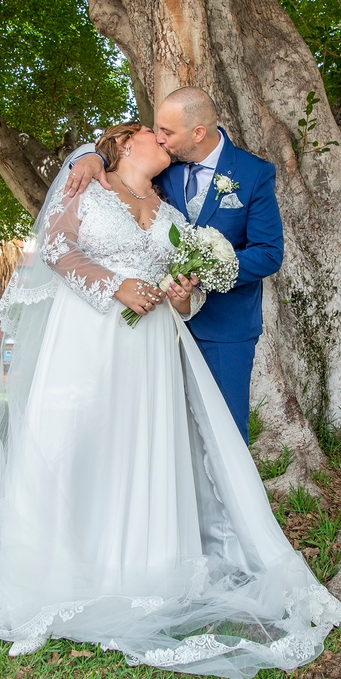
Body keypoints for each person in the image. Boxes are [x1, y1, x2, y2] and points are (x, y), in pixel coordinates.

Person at [0, 122, 341, 679]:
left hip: (149, 350)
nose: (162, 142)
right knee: (76, 441)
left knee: (139, 450)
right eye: (150, 132)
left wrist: (183, 293)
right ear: (123, 144)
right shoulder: (88, 186)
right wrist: (111, 283)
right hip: (89, 337)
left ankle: (141, 564)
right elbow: (54, 247)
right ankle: (61, 567)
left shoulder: (173, 214)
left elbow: (183, 297)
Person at [66, 87, 283, 444]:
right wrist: (92, 157)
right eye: (157, 131)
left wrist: (209, 268)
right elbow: (124, 160)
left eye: (167, 132)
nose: (160, 139)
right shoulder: (166, 165)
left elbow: (269, 251)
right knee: (160, 433)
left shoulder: (253, 172)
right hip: (156, 328)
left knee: (223, 433)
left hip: (223, 327)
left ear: (197, 133)